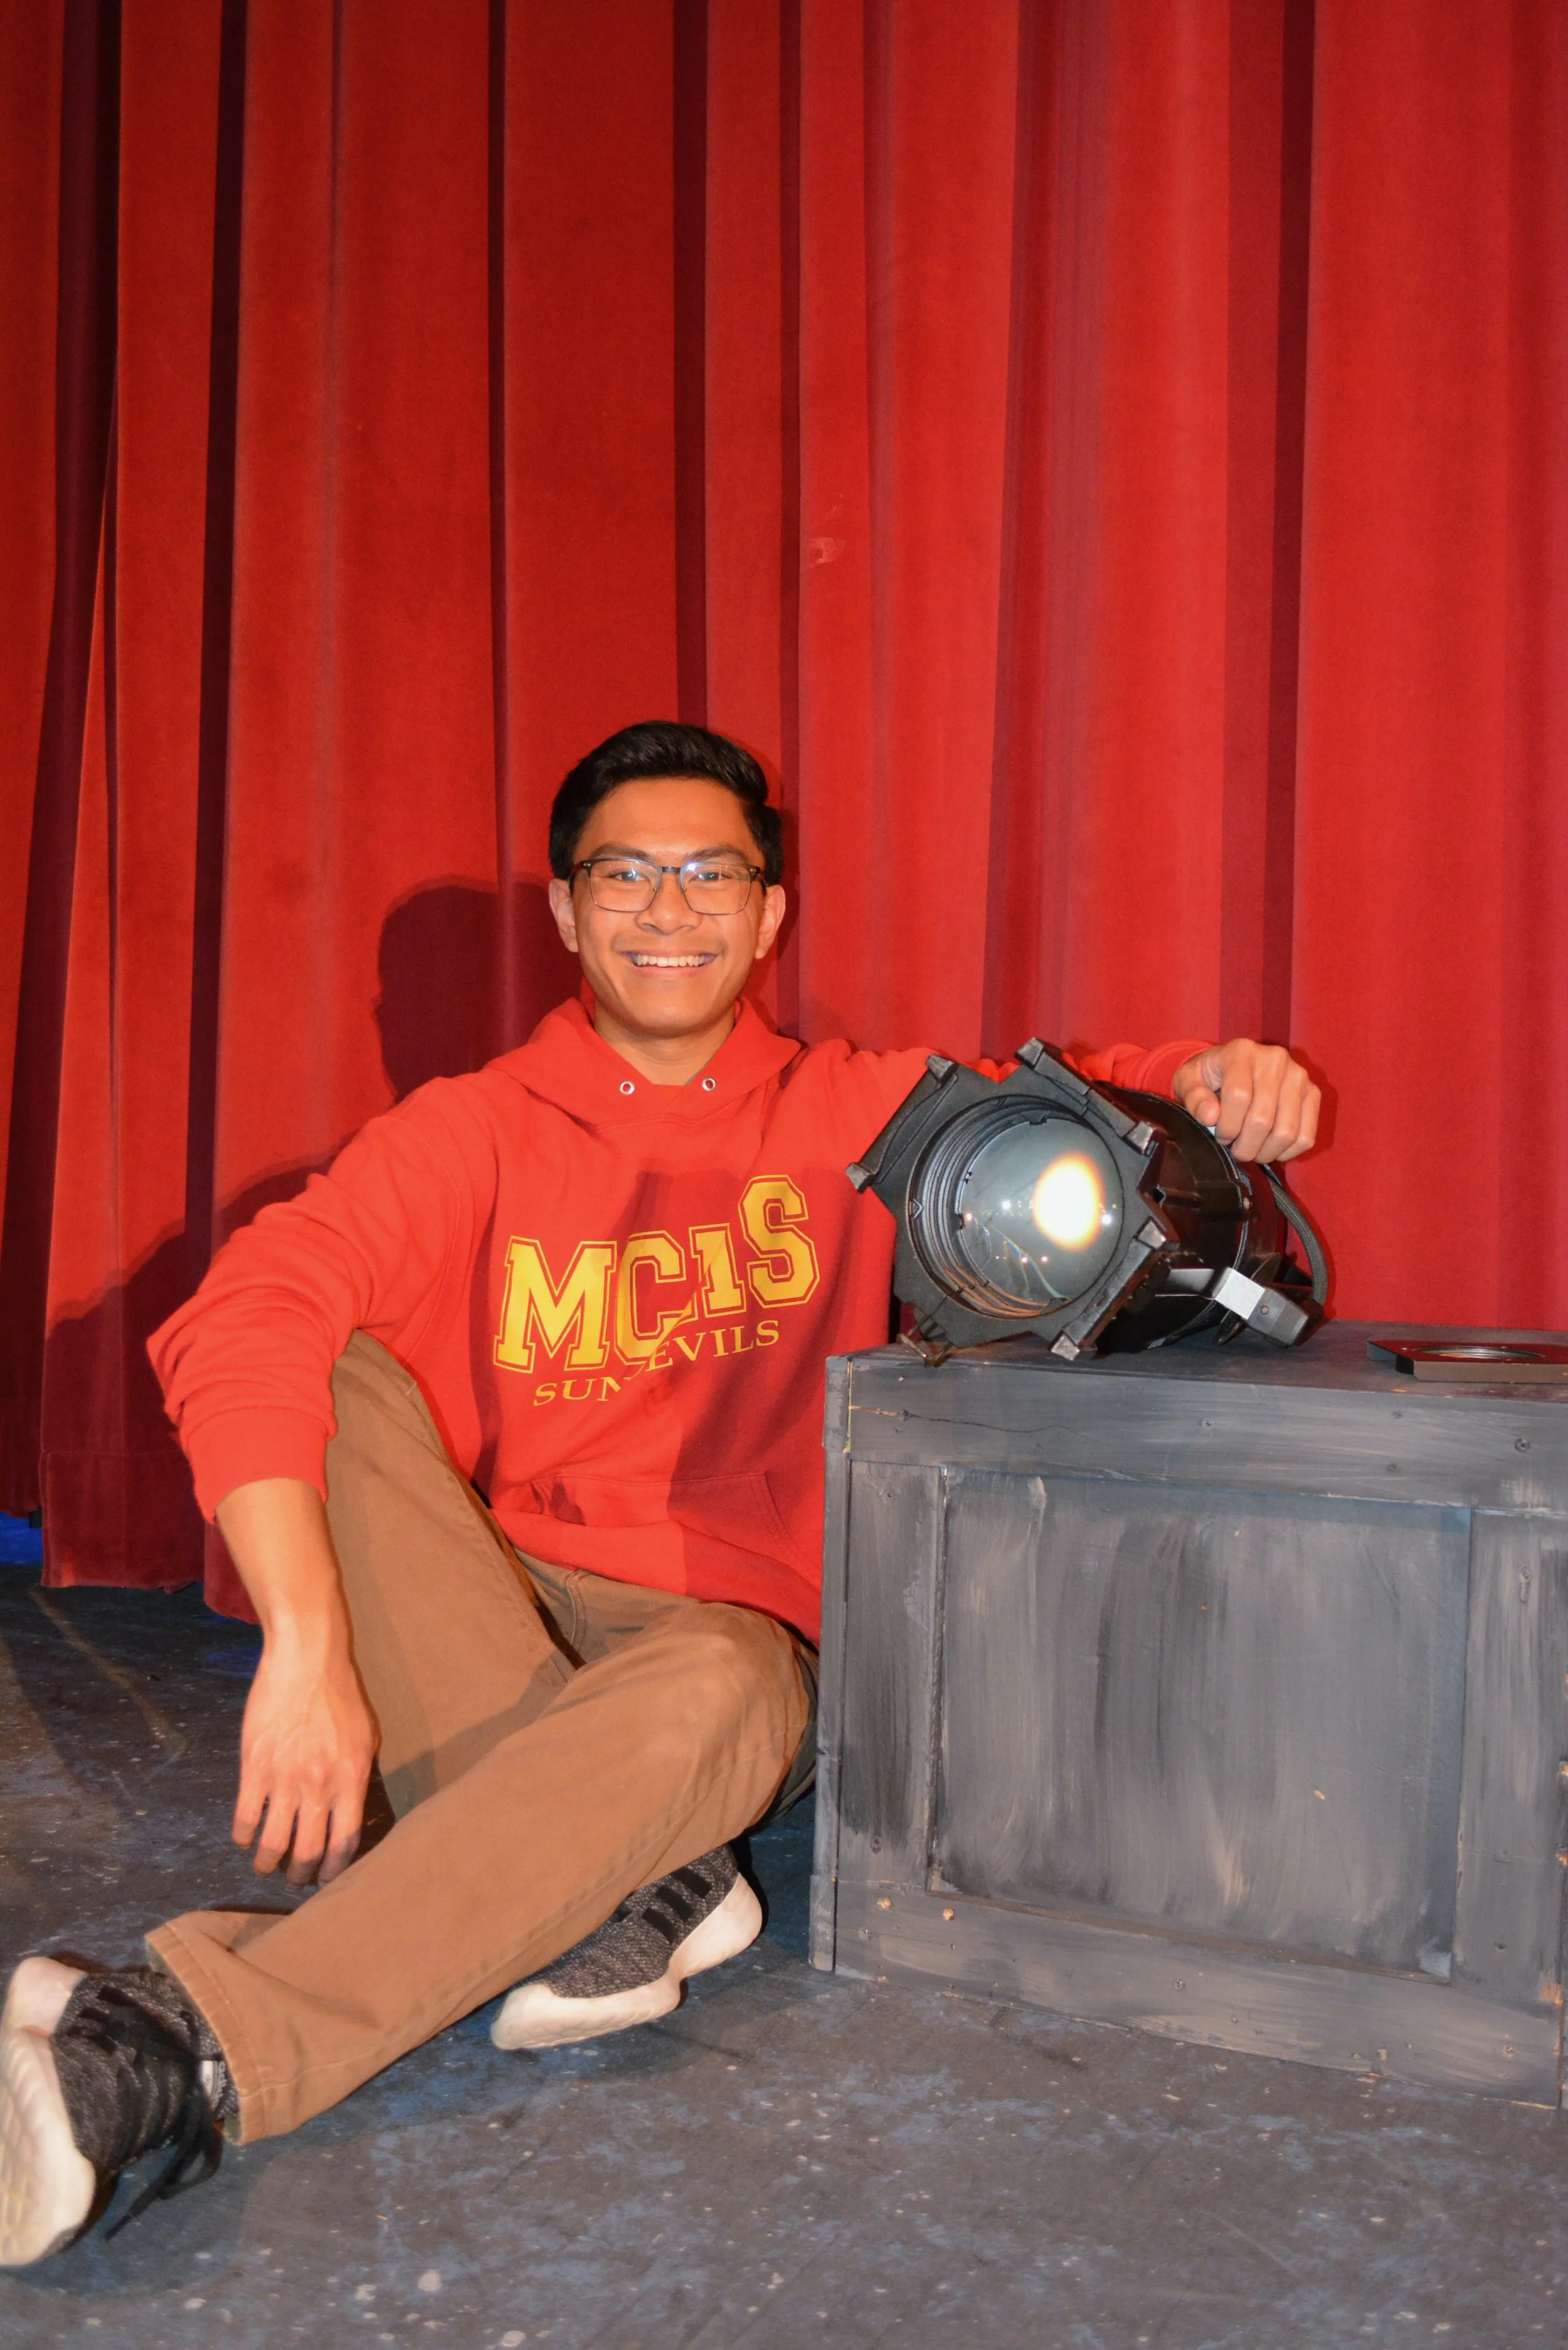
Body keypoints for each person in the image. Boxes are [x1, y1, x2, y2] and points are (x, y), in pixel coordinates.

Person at [0, 721, 1319, 2265]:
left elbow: (1092, 1092)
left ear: (769, 915)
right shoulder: (478, 1125)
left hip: (741, 1663)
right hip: (529, 1618)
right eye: (624, 872)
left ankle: (178, 2048)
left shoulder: (857, 1115)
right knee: (333, 1358)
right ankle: (636, 1864)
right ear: (566, 911)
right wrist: (304, 1640)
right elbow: (244, 1314)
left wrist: (1219, 1077)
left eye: (712, 875)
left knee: (727, 1672)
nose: (668, 908)